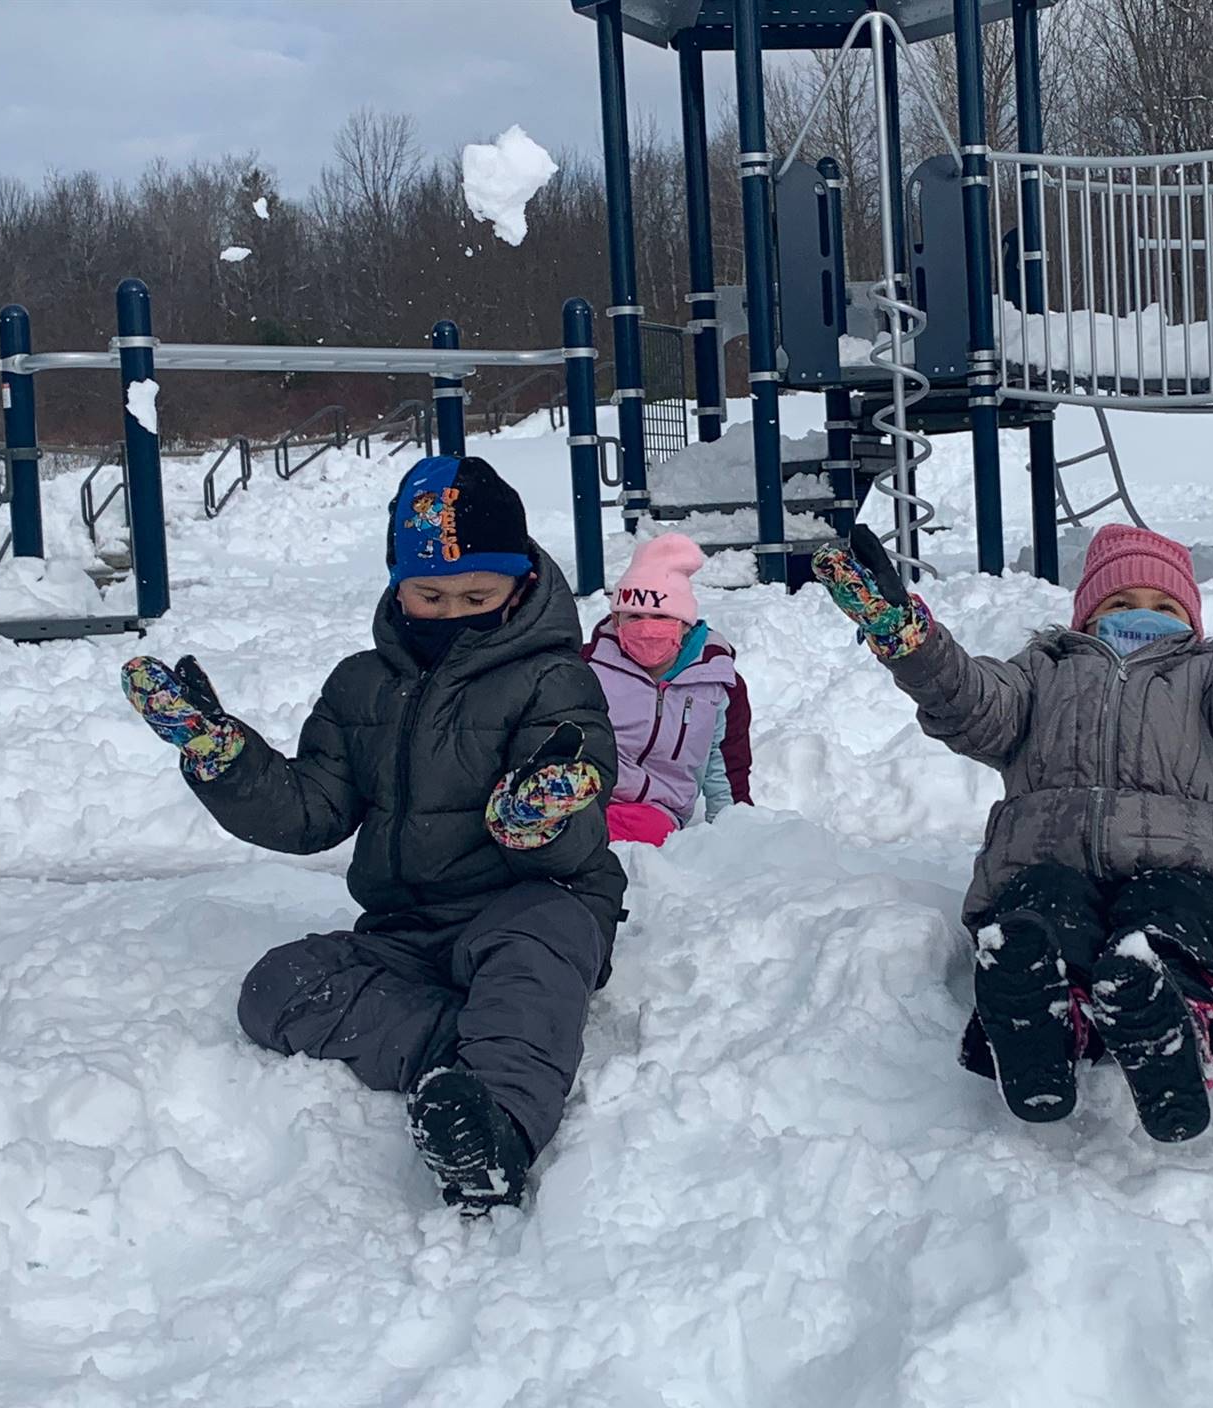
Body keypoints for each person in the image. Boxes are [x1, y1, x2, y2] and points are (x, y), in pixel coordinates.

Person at [812, 498, 1213, 1142]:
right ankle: (1039, 1019)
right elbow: (965, 698)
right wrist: (904, 634)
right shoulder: (1041, 675)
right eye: (1119, 604)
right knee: (1038, 915)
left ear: (1193, 623)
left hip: (1185, 868)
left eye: (1164, 606)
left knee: (1171, 916)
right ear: (1085, 616)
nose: (1141, 615)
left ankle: (1166, 1009)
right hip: (1048, 859)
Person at [120, 454, 624, 1213]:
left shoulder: (554, 680)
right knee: (276, 987)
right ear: (397, 586)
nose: (454, 612)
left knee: (531, 957)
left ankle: (500, 1137)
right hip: (406, 931)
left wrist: (535, 817)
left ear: (521, 583)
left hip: (534, 900)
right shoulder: (361, 685)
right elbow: (312, 809)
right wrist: (224, 758)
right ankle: (476, 1047)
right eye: (430, 594)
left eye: (477, 594)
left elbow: (580, 822)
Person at [583, 532, 752, 846]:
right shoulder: (589, 668)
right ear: (616, 620)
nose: (646, 627)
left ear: (685, 623)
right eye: (634, 616)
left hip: (657, 810)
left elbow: (726, 761)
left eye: (661, 616)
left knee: (639, 834)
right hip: (585, 796)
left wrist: (734, 831)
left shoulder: (717, 683)